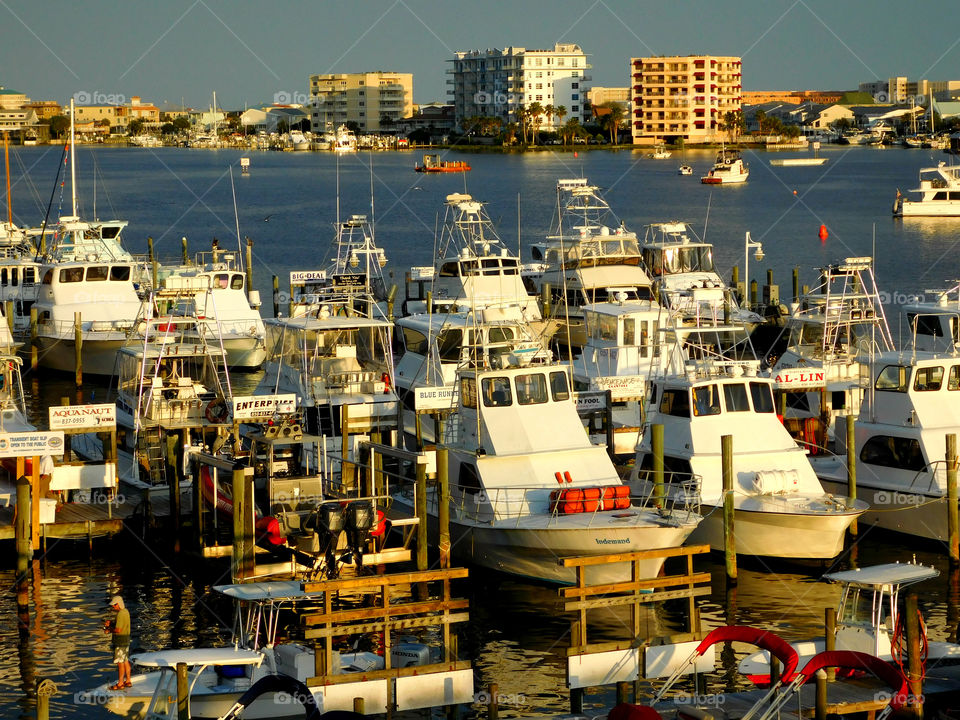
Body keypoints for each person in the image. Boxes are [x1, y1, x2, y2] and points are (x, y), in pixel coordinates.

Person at [104, 595, 131, 689]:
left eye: (114, 605)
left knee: (120, 663)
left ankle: (120, 683)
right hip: (126, 640)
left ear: (118, 604)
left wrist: (109, 630)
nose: (113, 607)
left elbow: (118, 630)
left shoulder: (120, 614)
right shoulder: (126, 612)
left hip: (120, 642)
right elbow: (122, 625)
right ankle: (128, 681)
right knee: (126, 661)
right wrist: (111, 623)